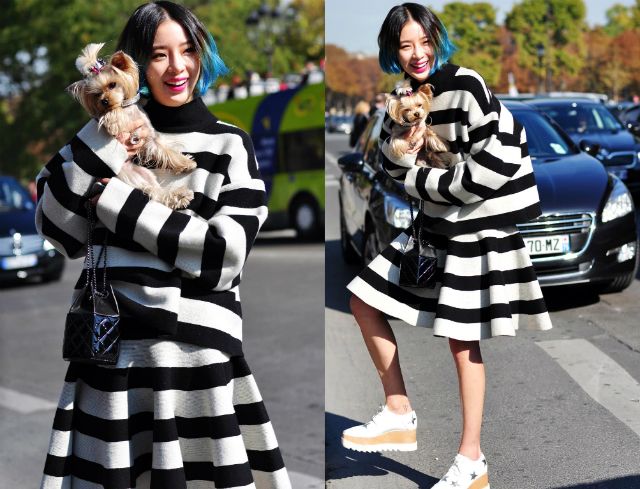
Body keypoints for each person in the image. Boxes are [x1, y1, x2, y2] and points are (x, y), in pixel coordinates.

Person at [36, 2, 291, 488]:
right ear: (131, 64)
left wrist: (112, 202)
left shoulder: (229, 144)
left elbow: (222, 256)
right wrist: (105, 140)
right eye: (159, 54)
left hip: (196, 358)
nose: (178, 67)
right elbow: (56, 230)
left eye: (188, 50)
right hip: (113, 358)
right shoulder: (98, 139)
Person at [340, 3, 552, 489]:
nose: (416, 54)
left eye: (423, 41)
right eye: (404, 45)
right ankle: (398, 409)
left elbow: (497, 159)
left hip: (476, 225)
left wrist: (428, 181)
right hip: (434, 226)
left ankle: (471, 460)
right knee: (362, 298)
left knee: (462, 341)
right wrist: (416, 174)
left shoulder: (468, 83)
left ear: (436, 37)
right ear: (392, 51)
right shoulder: (402, 97)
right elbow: (390, 168)